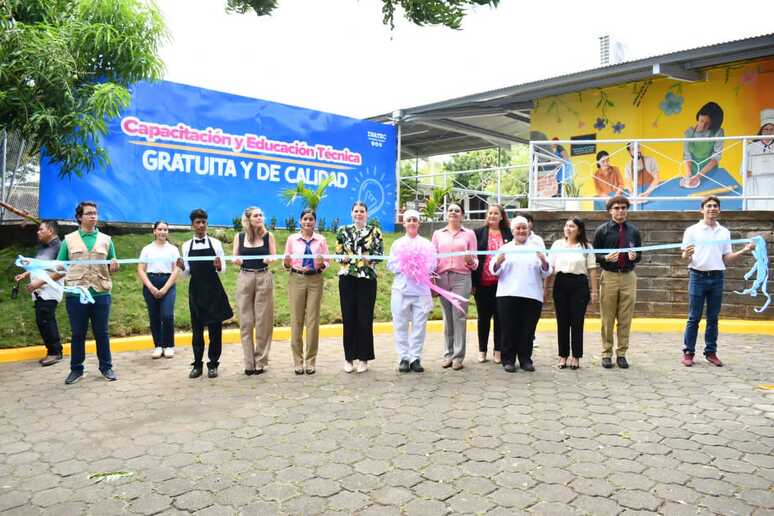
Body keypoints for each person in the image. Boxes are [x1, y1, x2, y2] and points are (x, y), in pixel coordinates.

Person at [680, 196, 754, 367]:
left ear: (719, 210)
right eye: (708, 206)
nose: (712, 208)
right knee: (693, 317)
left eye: (715, 206)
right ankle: (688, 352)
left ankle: (711, 352)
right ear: (702, 209)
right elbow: (684, 257)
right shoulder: (692, 230)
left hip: (717, 277)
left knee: (713, 317)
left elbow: (726, 258)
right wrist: (687, 254)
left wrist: (744, 250)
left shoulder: (724, 232)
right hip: (697, 276)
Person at [57, 201, 119, 384]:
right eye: (89, 213)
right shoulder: (68, 240)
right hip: (76, 294)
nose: (93, 216)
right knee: (78, 333)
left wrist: (115, 263)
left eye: (95, 213)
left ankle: (106, 367)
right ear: (79, 217)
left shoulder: (106, 240)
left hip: (101, 292)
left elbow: (112, 261)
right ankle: (76, 369)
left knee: (102, 332)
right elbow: (59, 266)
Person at [490, 216, 552, 373]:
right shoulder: (505, 248)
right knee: (508, 328)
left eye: (524, 228)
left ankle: (525, 359)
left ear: (528, 230)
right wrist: (498, 262)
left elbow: (546, 271)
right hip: (507, 294)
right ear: (512, 231)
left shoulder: (536, 247)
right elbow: (494, 269)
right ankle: (508, 360)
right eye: (518, 228)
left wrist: (544, 261)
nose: (521, 231)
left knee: (528, 329)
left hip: (532, 295)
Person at [177, 208, 233, 379]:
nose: (201, 225)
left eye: (204, 222)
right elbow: (186, 274)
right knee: (197, 330)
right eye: (198, 222)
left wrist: (218, 266)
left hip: (213, 290)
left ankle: (213, 364)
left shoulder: (216, 244)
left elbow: (223, 270)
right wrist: (181, 268)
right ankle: (197, 364)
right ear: (192, 225)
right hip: (196, 290)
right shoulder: (186, 246)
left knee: (215, 330)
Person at [592, 196, 642, 369]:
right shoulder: (602, 231)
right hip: (610, 276)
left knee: (625, 317)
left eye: (623, 208)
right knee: (607, 317)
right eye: (617, 208)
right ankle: (606, 353)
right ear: (610, 211)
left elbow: (640, 254)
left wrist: (635, 257)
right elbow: (594, 255)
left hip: (628, 276)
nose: (620, 211)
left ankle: (622, 353)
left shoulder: (633, 231)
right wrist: (605, 257)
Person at [335, 202, 383, 374]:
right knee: (348, 318)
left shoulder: (375, 231)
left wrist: (369, 258)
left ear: (366, 214)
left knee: (365, 318)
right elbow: (338, 254)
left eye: (362, 211)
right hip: (347, 278)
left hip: (367, 278)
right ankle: (349, 358)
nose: (359, 214)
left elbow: (379, 255)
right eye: (356, 211)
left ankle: (363, 358)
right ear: (351, 213)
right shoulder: (342, 230)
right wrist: (345, 259)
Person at [387, 209, 436, 373]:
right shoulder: (397, 243)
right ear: (404, 224)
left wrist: (419, 266)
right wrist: (406, 266)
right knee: (400, 324)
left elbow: (433, 264)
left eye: (415, 220)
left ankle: (415, 357)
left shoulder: (427, 244)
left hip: (421, 290)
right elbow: (391, 265)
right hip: (401, 290)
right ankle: (403, 357)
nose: (412, 223)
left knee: (419, 326)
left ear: (419, 223)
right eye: (409, 220)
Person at [546, 218, 598, 369]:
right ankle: (563, 355)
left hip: (579, 285)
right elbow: (550, 269)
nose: (568, 229)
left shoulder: (586, 247)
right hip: (560, 283)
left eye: (572, 226)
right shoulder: (557, 245)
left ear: (579, 230)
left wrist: (594, 291)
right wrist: (546, 288)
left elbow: (592, 270)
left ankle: (576, 356)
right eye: (566, 226)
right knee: (562, 322)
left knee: (577, 322)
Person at [432, 203, 478, 370]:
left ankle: (458, 356)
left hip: (462, 278)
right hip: (443, 278)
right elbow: (433, 259)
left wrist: (471, 261)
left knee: (459, 316)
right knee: (447, 318)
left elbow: (476, 262)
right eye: (450, 210)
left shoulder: (469, 234)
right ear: (446, 214)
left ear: (462, 215)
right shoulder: (438, 234)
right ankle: (448, 354)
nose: (453, 213)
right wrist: (432, 277)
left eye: (457, 211)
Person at [283, 208, 329, 375]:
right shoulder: (292, 239)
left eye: (311, 219)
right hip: (297, 278)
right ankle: (297, 361)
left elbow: (327, 261)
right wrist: (287, 263)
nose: (308, 222)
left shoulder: (321, 240)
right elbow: (286, 262)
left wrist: (321, 264)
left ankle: (310, 361)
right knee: (296, 320)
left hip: (315, 280)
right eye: (305, 219)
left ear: (314, 222)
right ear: (300, 221)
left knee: (312, 321)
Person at [233, 207, 277, 376]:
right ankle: (248, 362)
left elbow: (274, 256)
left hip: (263, 277)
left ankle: (260, 361)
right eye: (256, 215)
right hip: (245, 278)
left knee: (263, 321)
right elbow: (235, 258)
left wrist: (270, 259)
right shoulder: (239, 236)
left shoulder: (268, 236)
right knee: (246, 322)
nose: (259, 218)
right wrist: (237, 260)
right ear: (248, 219)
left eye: (261, 215)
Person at [14, 221, 63, 367]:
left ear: (51, 231)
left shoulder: (59, 247)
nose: (38, 232)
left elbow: (61, 271)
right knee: (42, 320)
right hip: (40, 291)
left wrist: (40, 283)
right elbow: (39, 265)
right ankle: (53, 351)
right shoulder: (43, 247)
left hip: (50, 290)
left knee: (46, 320)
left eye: (41, 229)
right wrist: (26, 273)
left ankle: (55, 353)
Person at [472, 204, 512, 364]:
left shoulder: (509, 234)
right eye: (490, 213)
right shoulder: (478, 233)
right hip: (482, 284)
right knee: (483, 318)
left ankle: (498, 350)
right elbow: (474, 260)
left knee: (500, 318)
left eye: (496, 213)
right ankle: (482, 350)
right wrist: (473, 282)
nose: (493, 216)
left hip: (503, 284)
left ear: (502, 216)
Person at [137, 221, 180, 359]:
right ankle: (158, 345)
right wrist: (150, 287)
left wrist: (165, 288)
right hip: (151, 282)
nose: (163, 232)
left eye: (165, 230)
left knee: (167, 315)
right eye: (160, 229)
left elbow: (176, 269)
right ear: (154, 231)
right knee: (154, 316)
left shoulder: (173, 249)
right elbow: (141, 269)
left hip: (168, 282)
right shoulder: (147, 249)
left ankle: (169, 345)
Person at [680, 101, 725, 189]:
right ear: (698, 117)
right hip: (691, 170)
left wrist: (699, 176)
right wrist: (689, 176)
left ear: (713, 123)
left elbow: (716, 157)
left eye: (707, 123)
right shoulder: (688, 133)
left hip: (711, 172)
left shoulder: (718, 132)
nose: (702, 126)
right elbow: (687, 156)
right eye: (701, 121)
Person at [745, 109, 774, 210]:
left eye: (771, 129)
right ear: (761, 130)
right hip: (756, 183)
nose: (769, 132)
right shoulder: (751, 147)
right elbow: (743, 170)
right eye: (766, 129)